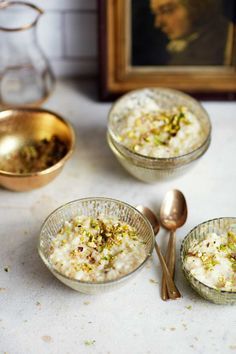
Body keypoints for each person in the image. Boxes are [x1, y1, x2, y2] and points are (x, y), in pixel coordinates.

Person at [150, 0, 231, 65]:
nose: (158, 23)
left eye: (167, 10)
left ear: (196, 6)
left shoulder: (214, 48)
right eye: (156, 14)